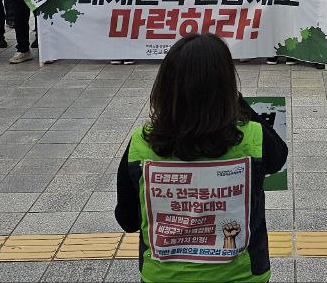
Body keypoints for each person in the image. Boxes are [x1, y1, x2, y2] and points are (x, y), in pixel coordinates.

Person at [115, 33, 288, 283]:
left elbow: (128, 221)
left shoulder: (140, 145)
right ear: (227, 85)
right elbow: (279, 157)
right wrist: (236, 102)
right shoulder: (253, 138)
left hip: (163, 277)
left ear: (165, 86)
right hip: (242, 275)